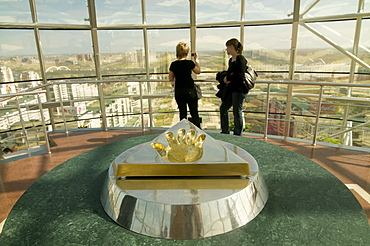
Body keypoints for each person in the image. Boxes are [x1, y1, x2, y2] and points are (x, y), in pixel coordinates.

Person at [220, 38, 249, 136]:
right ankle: (225, 131)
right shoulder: (231, 60)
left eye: (227, 47)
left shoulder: (240, 59)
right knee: (224, 108)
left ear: (231, 47)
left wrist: (229, 77)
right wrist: (225, 77)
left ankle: (237, 134)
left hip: (239, 90)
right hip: (232, 90)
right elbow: (231, 73)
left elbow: (240, 76)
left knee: (237, 112)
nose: (226, 50)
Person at [169, 42, 201, 128]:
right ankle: (198, 133)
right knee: (194, 113)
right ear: (187, 53)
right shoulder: (189, 63)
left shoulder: (173, 64)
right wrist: (196, 61)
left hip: (179, 91)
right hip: (190, 90)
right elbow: (198, 71)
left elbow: (171, 78)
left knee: (182, 114)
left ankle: (183, 133)